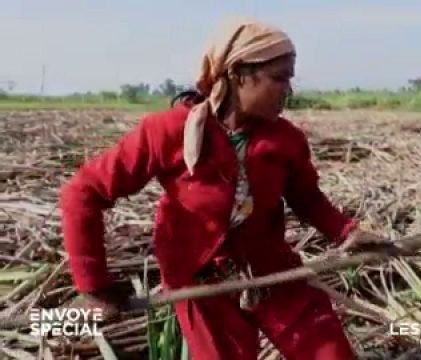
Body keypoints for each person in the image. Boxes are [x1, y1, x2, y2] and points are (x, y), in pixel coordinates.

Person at [59, 17, 390, 360]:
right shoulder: (170, 131)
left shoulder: (285, 140)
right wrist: (94, 287)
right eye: (279, 79)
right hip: (200, 284)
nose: (288, 91)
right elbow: (83, 193)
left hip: (273, 272)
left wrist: (349, 233)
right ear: (238, 75)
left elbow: (307, 198)